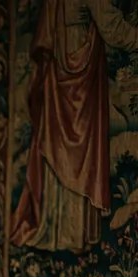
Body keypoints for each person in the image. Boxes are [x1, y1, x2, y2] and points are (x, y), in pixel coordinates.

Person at [11, 0, 138, 252]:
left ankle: (58, 230)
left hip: (59, 73)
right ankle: (71, 234)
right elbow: (112, 28)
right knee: (80, 150)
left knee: (61, 144)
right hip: (81, 74)